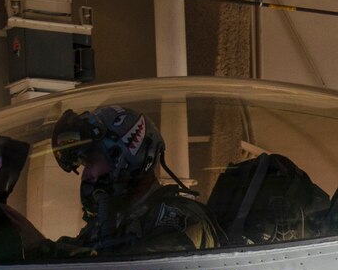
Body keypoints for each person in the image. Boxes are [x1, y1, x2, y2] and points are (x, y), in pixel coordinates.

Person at [49, 105, 219, 256]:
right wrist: (32, 241)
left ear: (129, 157)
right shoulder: (114, 223)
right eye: (84, 164)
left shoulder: (180, 220)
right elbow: (72, 255)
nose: (85, 175)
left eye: (91, 161)